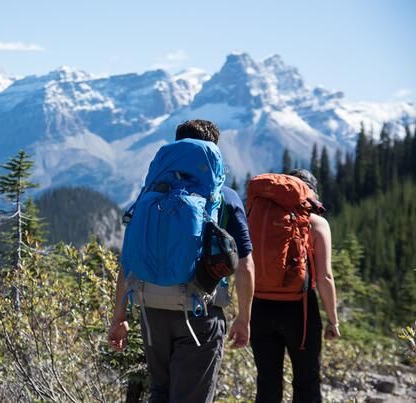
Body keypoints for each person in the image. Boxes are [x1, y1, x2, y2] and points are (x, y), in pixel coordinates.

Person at [108, 119, 255, 402]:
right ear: (213, 150)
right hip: (200, 312)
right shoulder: (225, 197)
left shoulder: (150, 195)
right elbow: (246, 264)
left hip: (151, 309)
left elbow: (128, 260)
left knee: (160, 392)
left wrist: (120, 316)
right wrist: (244, 318)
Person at [249, 168, 340, 403]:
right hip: (300, 310)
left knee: (267, 382)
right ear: (309, 193)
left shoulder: (259, 216)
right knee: (306, 382)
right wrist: (333, 320)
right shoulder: (316, 222)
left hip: (259, 306)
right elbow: (325, 277)